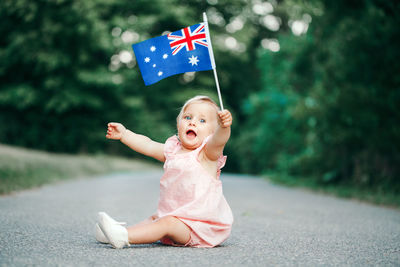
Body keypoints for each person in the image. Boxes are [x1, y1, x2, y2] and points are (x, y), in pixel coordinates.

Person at [96, 95, 234, 248]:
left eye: (202, 121)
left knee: (167, 223)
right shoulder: (172, 150)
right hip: (176, 217)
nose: (192, 122)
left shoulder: (207, 154)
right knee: (155, 219)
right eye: (187, 117)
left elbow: (219, 141)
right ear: (178, 124)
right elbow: (147, 145)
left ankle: (124, 236)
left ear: (211, 132)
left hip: (198, 225)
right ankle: (118, 232)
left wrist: (224, 127)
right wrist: (125, 134)